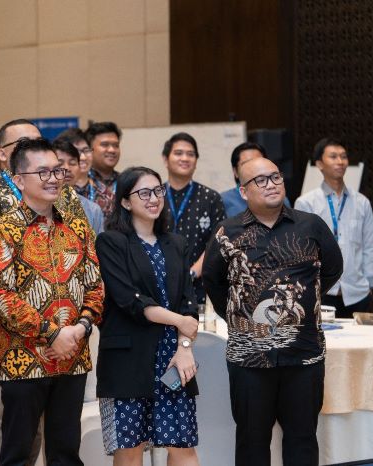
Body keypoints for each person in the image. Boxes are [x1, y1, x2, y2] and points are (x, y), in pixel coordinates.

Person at [203, 157, 343, 466]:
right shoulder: (227, 232)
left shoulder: (310, 225)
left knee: (302, 439)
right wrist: (239, 316)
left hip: (304, 355)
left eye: (275, 177)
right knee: (251, 442)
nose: (271, 184)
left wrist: (307, 301)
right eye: (261, 180)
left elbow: (333, 269)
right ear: (244, 191)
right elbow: (213, 281)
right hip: (249, 361)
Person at [0, 138, 104, 466]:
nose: (53, 179)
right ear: (19, 180)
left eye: (57, 171)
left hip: (73, 358)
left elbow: (95, 286)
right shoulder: (0, 231)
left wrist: (80, 328)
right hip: (24, 360)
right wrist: (53, 334)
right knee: (17, 454)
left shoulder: (77, 228)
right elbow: (1, 297)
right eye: (42, 172)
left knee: (65, 454)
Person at [95, 166, 200, 466]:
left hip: (173, 359)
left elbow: (188, 304)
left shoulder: (176, 243)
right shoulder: (111, 242)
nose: (153, 198)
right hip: (128, 359)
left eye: (157, 191)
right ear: (125, 201)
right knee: (131, 449)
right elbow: (129, 300)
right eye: (143, 193)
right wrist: (179, 321)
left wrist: (184, 348)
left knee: (182, 444)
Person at [295, 138, 373, 317]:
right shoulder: (306, 203)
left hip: (357, 293)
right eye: (333, 157)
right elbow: (302, 251)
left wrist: (368, 284)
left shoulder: (362, 202)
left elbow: (370, 246)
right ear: (319, 164)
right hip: (322, 292)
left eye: (343, 156)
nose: (340, 161)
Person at [161, 132, 225, 304]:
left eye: (190, 154)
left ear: (196, 161)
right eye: (178, 153)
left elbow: (218, 242)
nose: (185, 158)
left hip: (200, 287)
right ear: (165, 159)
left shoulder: (211, 198)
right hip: (159, 283)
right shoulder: (155, 196)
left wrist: (192, 273)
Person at [220, 142, 290, 217]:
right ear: (235, 172)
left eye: (258, 162)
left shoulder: (278, 198)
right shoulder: (223, 200)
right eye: (246, 164)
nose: (254, 167)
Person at [53, 137, 104, 234]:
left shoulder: (93, 210)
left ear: (79, 168)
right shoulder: (40, 206)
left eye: (72, 163)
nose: (67, 168)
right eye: (60, 164)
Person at [86, 121, 122, 220]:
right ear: (89, 149)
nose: (112, 150)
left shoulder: (126, 182)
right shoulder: (79, 183)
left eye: (116, 145)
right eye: (105, 145)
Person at [56, 127, 97, 201]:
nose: (82, 157)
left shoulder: (104, 193)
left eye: (86, 150)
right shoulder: (51, 194)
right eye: (76, 151)